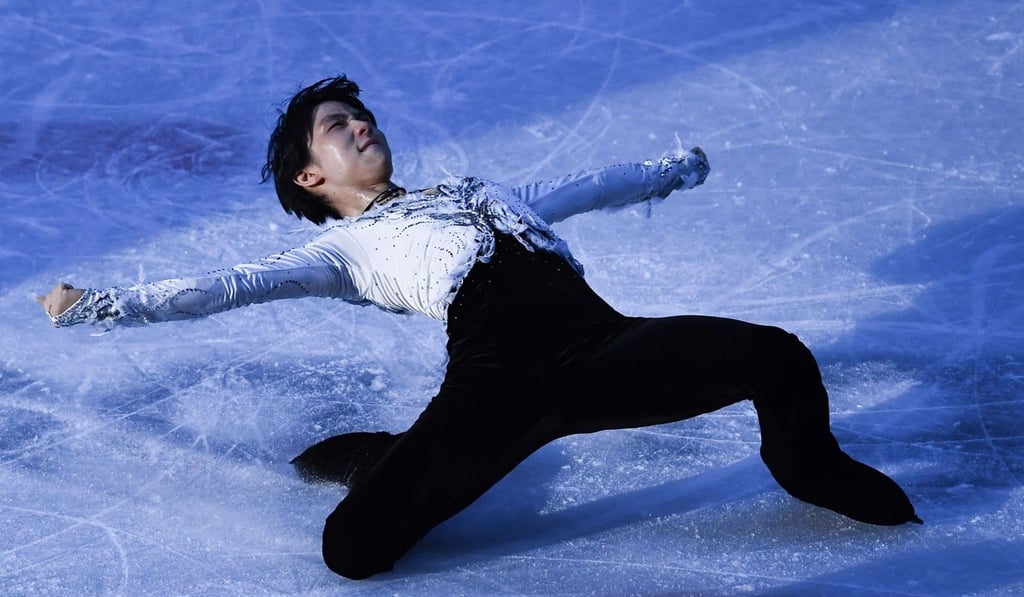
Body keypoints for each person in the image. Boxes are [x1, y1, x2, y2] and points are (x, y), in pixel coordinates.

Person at [37, 75, 920, 580]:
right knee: (353, 551)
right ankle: (381, 457)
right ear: (310, 178)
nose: (361, 125)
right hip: (497, 381)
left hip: (602, 346)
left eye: (360, 114)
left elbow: (585, 185)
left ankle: (806, 465)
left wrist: (669, 171)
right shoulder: (345, 250)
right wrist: (102, 305)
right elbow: (228, 287)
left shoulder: (477, 192)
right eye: (337, 128)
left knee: (775, 354)